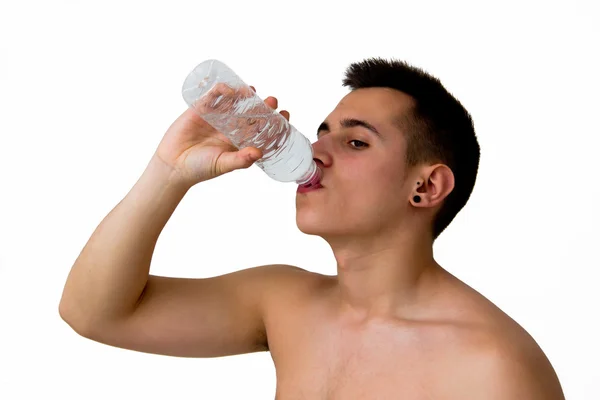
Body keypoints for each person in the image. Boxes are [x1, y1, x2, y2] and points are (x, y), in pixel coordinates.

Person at [59, 58, 565, 399]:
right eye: (322, 133)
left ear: (427, 187)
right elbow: (93, 314)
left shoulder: (493, 368)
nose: (316, 152)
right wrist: (167, 174)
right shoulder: (284, 302)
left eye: (356, 143)